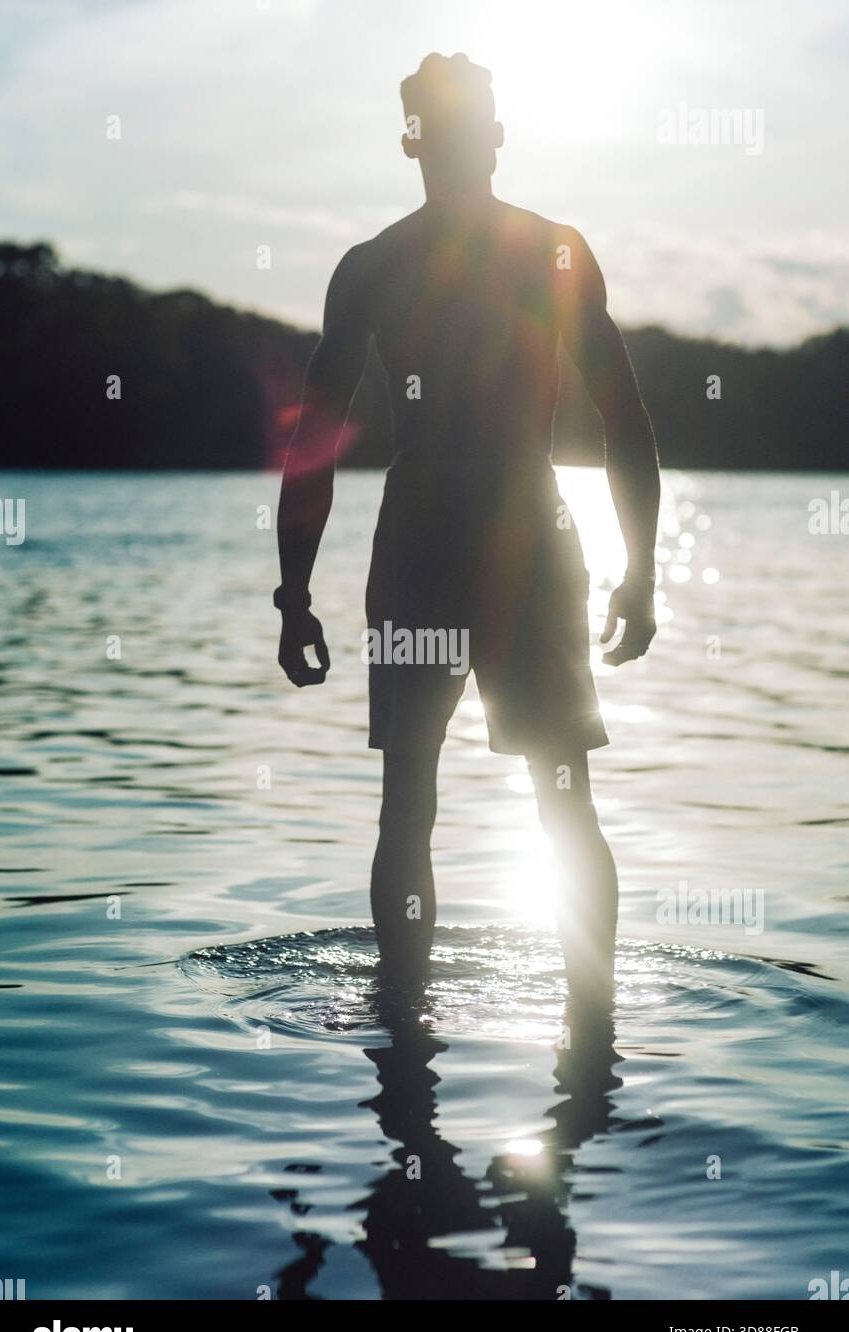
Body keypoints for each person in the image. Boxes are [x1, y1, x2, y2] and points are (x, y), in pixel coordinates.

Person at [276, 53, 659, 1006]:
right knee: (557, 795)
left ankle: (406, 1037)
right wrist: (638, 572)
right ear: (484, 136)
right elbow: (622, 418)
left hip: (431, 539)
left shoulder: (377, 266)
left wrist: (294, 595)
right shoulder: (542, 249)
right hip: (515, 531)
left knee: (410, 799)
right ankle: (588, 1035)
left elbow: (313, 444)